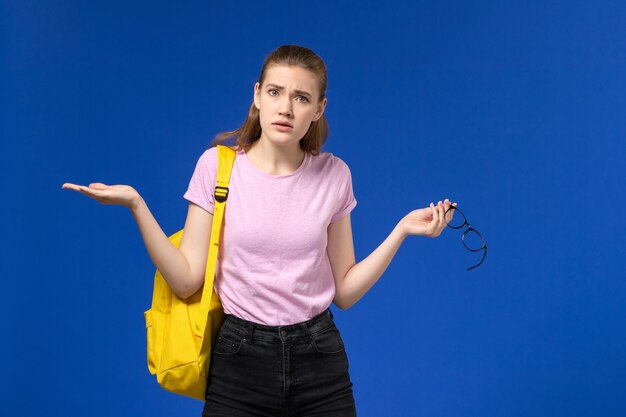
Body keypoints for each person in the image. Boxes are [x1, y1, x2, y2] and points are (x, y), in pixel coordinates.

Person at [62, 44, 456, 417]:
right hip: (239, 358)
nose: (285, 107)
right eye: (275, 91)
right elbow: (186, 282)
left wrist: (401, 230)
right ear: (257, 95)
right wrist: (137, 205)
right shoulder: (217, 168)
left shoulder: (335, 174)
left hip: (320, 357)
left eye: (301, 98)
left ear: (319, 109)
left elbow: (346, 292)